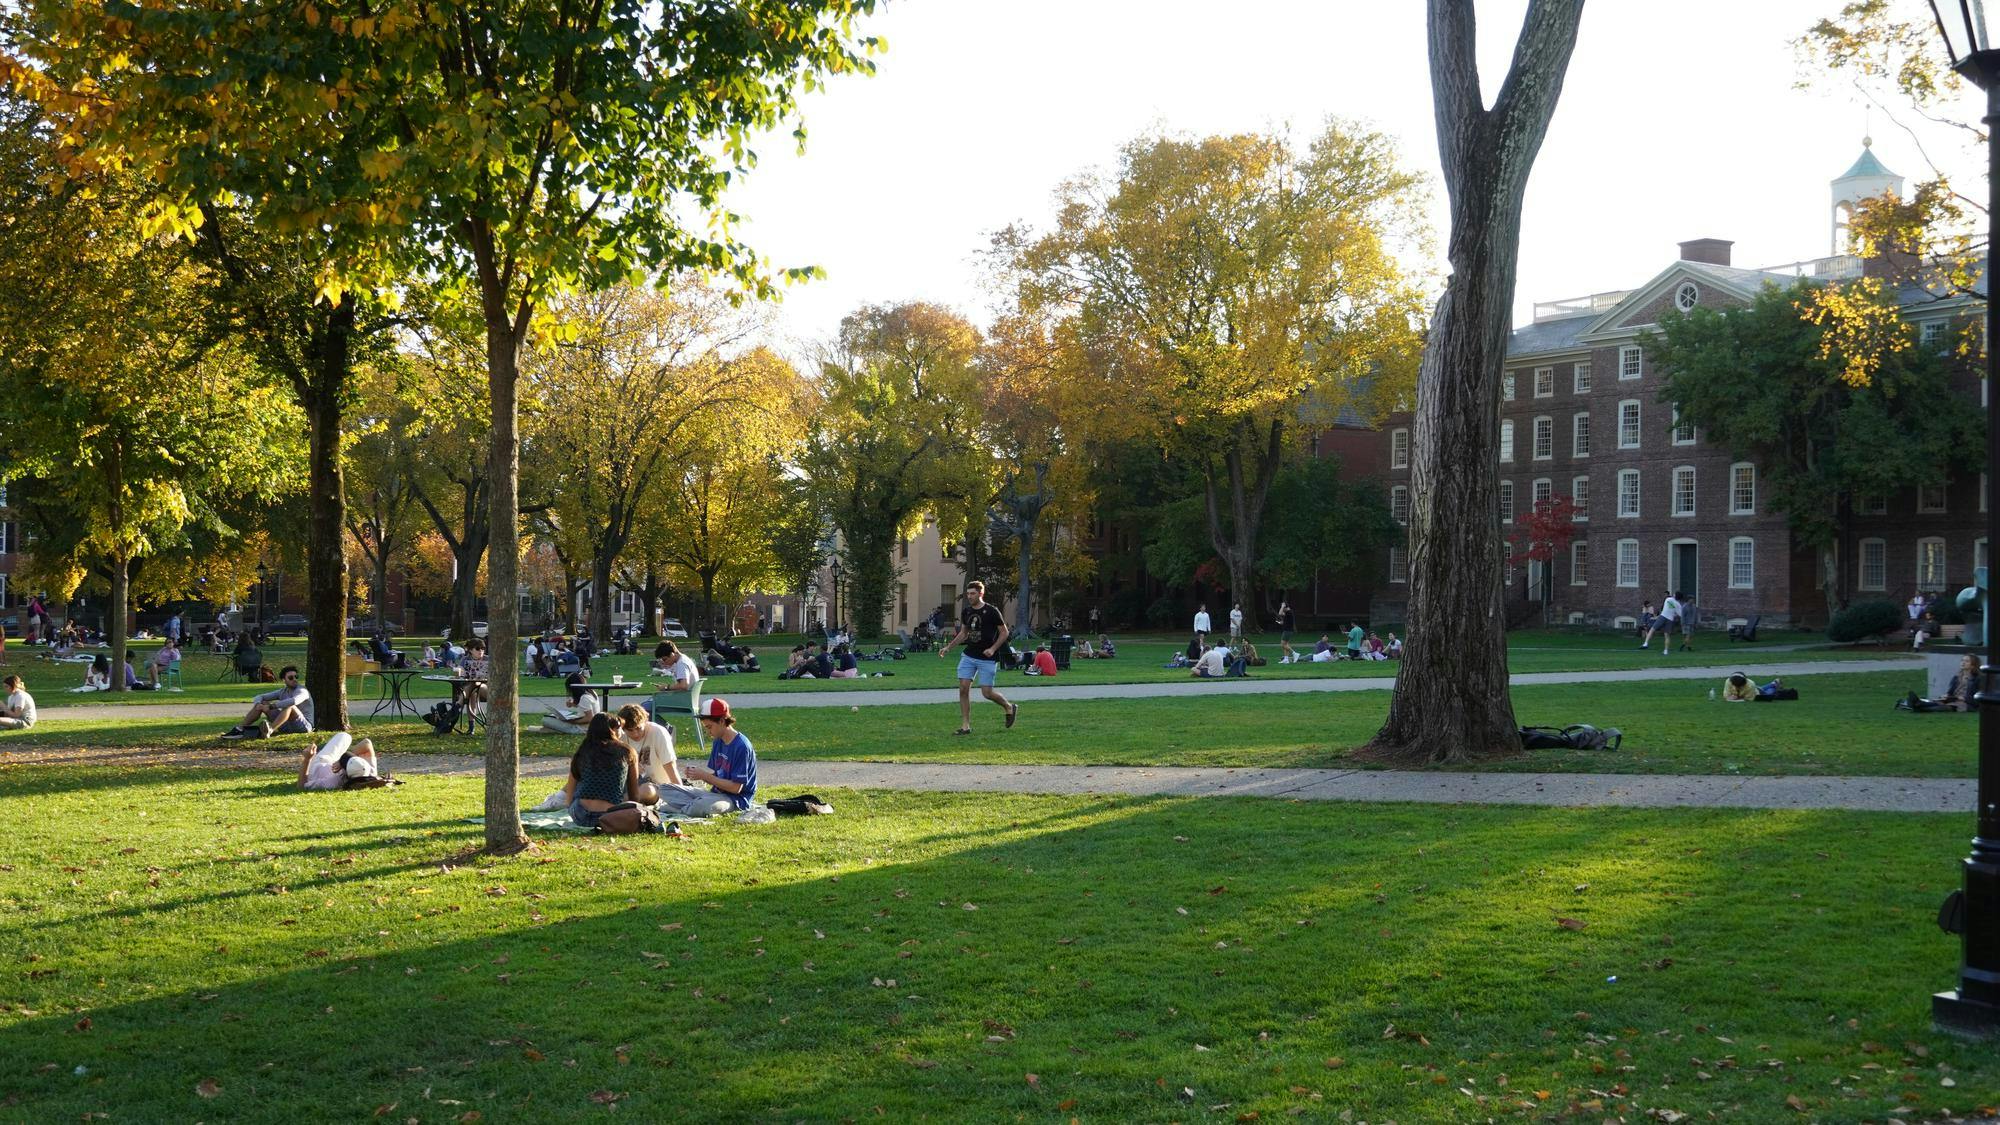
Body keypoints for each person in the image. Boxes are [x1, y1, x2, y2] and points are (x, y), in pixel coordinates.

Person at [938, 580, 1017, 735]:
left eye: (973, 593)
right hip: (969, 655)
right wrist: (948, 647)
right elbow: (963, 633)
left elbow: (1004, 633)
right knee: (963, 689)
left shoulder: (992, 611)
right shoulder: (966, 611)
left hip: (987, 658)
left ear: (981, 593)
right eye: (968, 593)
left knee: (987, 693)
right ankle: (965, 726)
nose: (969, 596)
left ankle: (1008, 707)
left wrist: (993, 649)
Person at [655, 697, 756, 817]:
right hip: (713, 795)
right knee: (664, 789)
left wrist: (704, 776)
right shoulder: (718, 741)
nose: (708, 732)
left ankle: (681, 808)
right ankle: (690, 806)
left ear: (722, 721)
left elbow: (736, 788)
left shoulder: (741, 746)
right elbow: (718, 776)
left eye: (709, 727)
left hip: (735, 800)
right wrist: (697, 774)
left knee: (702, 805)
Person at [564, 714, 655, 833]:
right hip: (610, 816)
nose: (622, 732)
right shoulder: (627, 752)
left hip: (579, 814)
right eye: (619, 728)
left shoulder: (582, 751)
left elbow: (569, 795)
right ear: (612, 730)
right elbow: (634, 795)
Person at [222, 665, 313, 739]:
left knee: (290, 706)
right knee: (263, 702)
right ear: (284, 680)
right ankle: (239, 729)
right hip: (286, 725)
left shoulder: (302, 690)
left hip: (304, 726)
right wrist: (259, 705)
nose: (294, 679)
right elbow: (259, 696)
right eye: (290, 677)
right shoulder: (282, 691)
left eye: (296, 676)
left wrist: (271, 707)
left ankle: (270, 730)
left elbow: (294, 701)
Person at [613, 703, 680, 804]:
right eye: (630, 730)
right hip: (629, 783)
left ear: (646, 720)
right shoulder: (620, 736)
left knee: (648, 790)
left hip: (656, 785)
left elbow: (671, 766)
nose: (635, 734)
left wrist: (682, 793)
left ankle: (616, 803)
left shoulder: (658, 733)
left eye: (638, 728)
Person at [297, 736, 383, 790]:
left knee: (343, 736)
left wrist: (307, 759)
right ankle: (324, 748)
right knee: (346, 736)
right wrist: (342, 759)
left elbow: (301, 786)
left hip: (318, 764)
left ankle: (320, 750)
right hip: (334, 761)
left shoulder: (332, 782)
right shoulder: (369, 771)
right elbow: (366, 743)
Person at [1902, 656, 1979, 713]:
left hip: (1965, 703)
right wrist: (1946, 695)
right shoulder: (1957, 677)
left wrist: (1963, 698)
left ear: (1973, 665)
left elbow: (1977, 699)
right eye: (1962, 660)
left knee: (1946, 707)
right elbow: (1950, 692)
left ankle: (1918, 706)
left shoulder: (1977, 679)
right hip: (1953, 699)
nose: (1963, 662)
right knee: (1937, 702)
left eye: (1967, 661)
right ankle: (1917, 703)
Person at [541, 671, 602, 735]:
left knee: (545, 719)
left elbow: (589, 718)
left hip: (580, 728)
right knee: (553, 716)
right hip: (588, 726)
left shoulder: (584, 698)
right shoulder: (591, 692)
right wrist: (572, 704)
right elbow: (585, 706)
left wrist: (573, 721)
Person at [1648, 590, 1682, 655]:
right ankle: (1666, 651)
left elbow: (1665, 609)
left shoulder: (1668, 599)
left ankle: (1646, 643)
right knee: (1667, 635)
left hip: (1664, 616)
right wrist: (1674, 614)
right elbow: (1680, 614)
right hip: (1670, 619)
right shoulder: (1677, 604)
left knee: (1653, 629)